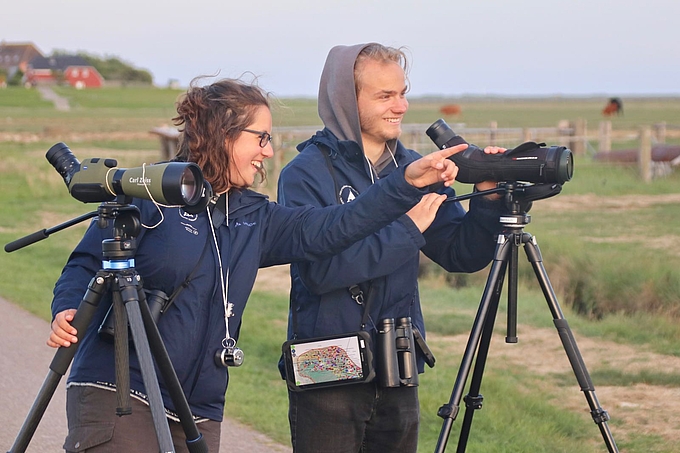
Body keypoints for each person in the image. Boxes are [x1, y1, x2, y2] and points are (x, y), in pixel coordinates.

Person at [46, 76, 463, 453]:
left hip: (200, 407)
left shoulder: (256, 217)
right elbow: (86, 263)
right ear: (223, 134)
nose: (268, 150)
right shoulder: (150, 194)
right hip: (122, 390)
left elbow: (334, 227)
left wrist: (403, 183)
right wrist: (67, 308)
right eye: (260, 137)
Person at [276, 43, 506, 452]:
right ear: (347, 99)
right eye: (385, 95)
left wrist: (487, 200)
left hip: (397, 361)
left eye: (403, 92)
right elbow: (321, 272)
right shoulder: (304, 174)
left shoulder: (414, 167)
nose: (400, 106)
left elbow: (461, 254)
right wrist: (406, 229)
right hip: (325, 363)